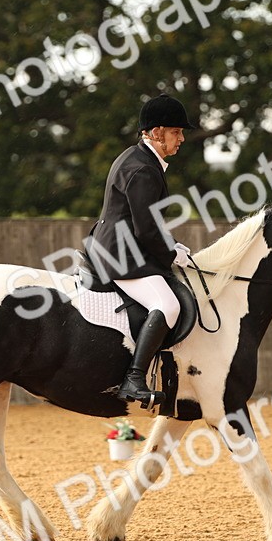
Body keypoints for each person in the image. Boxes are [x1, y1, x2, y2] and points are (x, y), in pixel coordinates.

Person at [86, 94, 196, 405]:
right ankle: (134, 379)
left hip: (122, 246)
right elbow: (146, 228)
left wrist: (171, 244)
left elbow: (144, 220)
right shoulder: (143, 169)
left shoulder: (138, 158)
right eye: (176, 132)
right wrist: (172, 253)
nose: (182, 139)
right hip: (121, 255)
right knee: (168, 305)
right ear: (157, 132)